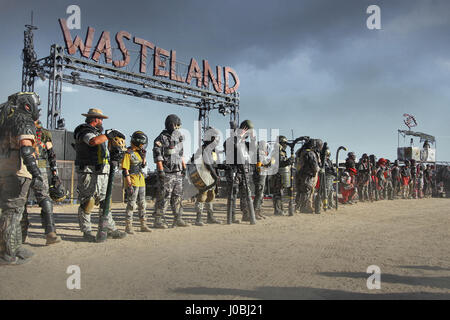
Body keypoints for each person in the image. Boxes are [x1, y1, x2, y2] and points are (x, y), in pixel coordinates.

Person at [0, 92, 42, 265]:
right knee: (12, 214)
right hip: (17, 173)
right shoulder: (24, 120)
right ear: (27, 105)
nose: (37, 109)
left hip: (5, 171)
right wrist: (37, 174)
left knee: (15, 212)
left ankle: (15, 247)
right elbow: (26, 150)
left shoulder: (6, 121)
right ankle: (7, 254)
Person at [74, 108, 127, 242]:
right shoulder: (84, 130)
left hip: (102, 171)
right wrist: (110, 134)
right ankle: (86, 232)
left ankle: (109, 229)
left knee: (105, 202)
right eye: (100, 119)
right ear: (95, 119)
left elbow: (103, 147)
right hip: (88, 171)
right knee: (88, 202)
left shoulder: (98, 133)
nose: (102, 121)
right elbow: (93, 142)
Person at [20, 120, 62, 245]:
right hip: (33, 166)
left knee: (23, 200)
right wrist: (55, 173)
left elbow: (51, 153)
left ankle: (48, 233)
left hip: (25, 166)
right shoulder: (42, 132)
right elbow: (51, 153)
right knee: (41, 199)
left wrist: (55, 173)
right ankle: (50, 232)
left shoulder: (20, 127)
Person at [153, 114, 188, 228]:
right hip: (166, 172)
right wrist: (161, 171)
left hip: (177, 172)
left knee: (177, 196)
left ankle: (178, 218)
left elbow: (181, 154)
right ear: (170, 124)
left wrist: (184, 167)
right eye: (176, 125)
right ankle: (158, 220)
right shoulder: (160, 139)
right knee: (164, 196)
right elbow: (158, 156)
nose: (178, 128)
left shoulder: (178, 139)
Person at [223, 120, 256, 223]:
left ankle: (246, 215)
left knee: (246, 194)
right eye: (246, 131)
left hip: (244, 173)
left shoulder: (245, 144)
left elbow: (254, 151)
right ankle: (231, 217)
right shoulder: (230, 141)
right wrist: (239, 137)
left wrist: (253, 139)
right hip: (234, 171)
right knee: (232, 194)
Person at [122, 131, 151, 234]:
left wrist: (144, 157)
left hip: (141, 179)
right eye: (142, 143)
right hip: (133, 180)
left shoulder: (139, 153)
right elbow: (125, 169)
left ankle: (143, 224)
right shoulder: (128, 153)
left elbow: (143, 166)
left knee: (142, 203)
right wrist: (129, 183)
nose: (143, 146)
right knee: (131, 204)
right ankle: (128, 226)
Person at [191, 127, 221, 226]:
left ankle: (210, 217)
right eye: (216, 137)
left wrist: (218, 174)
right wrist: (216, 176)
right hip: (204, 177)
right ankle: (198, 219)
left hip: (211, 177)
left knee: (211, 196)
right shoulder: (203, 149)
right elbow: (208, 164)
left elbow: (215, 165)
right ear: (211, 138)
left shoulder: (214, 151)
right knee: (202, 196)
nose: (217, 140)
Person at [295, 139, 322, 213]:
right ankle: (304, 208)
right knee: (307, 191)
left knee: (301, 191)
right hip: (308, 175)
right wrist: (317, 170)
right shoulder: (310, 153)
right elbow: (314, 166)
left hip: (300, 174)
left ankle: (297, 207)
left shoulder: (301, 152)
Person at [271, 136, 293, 216]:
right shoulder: (277, 152)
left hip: (279, 175)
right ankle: (278, 211)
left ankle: (280, 209)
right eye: (284, 143)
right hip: (278, 175)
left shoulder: (280, 152)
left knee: (280, 193)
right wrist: (288, 161)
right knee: (278, 193)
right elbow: (279, 163)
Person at [253, 140, 271, 219]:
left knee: (261, 195)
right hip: (260, 177)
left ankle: (258, 212)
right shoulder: (259, 154)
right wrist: (269, 164)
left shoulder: (261, 155)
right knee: (259, 195)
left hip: (262, 177)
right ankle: (255, 213)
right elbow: (259, 167)